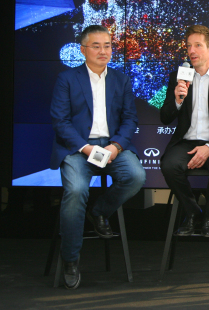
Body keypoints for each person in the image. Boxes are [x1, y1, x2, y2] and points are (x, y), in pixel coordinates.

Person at [50, 25, 146, 289]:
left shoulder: (120, 79)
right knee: (76, 191)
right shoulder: (67, 79)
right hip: (78, 149)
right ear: (83, 50)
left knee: (136, 176)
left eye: (107, 46)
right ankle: (70, 259)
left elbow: (130, 119)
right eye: (96, 46)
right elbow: (60, 121)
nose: (103, 51)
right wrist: (85, 148)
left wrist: (116, 146)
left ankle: (99, 211)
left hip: (112, 146)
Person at [160, 25, 209, 238]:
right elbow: (165, 117)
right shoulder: (178, 77)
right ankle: (193, 212)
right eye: (188, 46)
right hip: (186, 141)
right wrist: (177, 100)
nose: (191, 51)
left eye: (197, 45)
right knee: (169, 165)